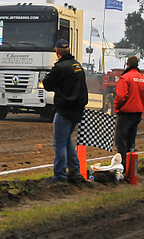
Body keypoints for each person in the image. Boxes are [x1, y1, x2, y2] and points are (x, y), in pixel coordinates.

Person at [42, 39, 89, 184]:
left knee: (59, 143)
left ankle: (60, 176)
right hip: (77, 110)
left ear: (57, 52)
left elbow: (46, 84)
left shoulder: (60, 67)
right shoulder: (77, 65)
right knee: (66, 140)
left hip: (64, 109)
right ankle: (75, 171)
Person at [114, 55, 144, 173]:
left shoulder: (125, 78)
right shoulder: (142, 79)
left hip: (125, 113)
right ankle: (130, 168)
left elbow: (121, 96)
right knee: (131, 141)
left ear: (127, 64)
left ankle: (122, 168)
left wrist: (117, 107)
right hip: (137, 113)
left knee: (121, 141)